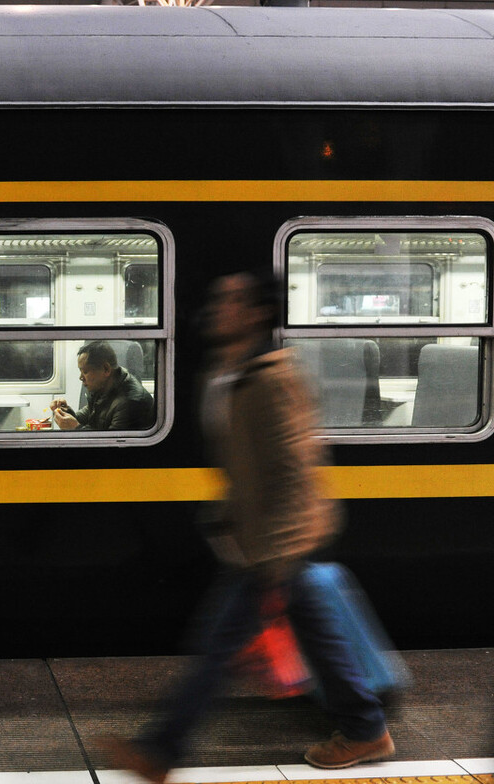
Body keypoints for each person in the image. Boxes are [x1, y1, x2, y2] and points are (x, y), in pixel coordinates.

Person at [101, 272, 393, 782]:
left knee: (216, 647)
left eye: (232, 300)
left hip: (275, 546)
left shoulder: (273, 379)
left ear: (257, 314)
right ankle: (367, 728)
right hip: (256, 542)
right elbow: (245, 467)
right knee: (317, 637)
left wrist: (275, 559)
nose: (218, 306)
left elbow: (296, 473)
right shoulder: (224, 374)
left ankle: (159, 752)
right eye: (218, 297)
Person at [49, 341, 154, 430]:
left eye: (85, 372)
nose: (81, 377)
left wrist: (76, 428)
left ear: (106, 369)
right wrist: (65, 411)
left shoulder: (130, 403)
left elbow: (109, 445)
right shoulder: (103, 389)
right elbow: (85, 417)